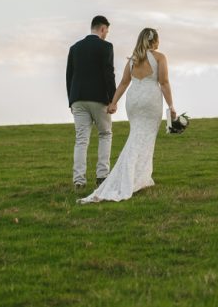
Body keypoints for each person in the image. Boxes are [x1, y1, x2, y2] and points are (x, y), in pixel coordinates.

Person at [78, 27, 175, 204]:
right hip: (150, 100)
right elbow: (164, 82)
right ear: (155, 41)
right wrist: (171, 105)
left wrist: (114, 102)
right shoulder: (160, 57)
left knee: (137, 136)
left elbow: (123, 83)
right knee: (143, 138)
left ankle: (142, 177)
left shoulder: (133, 60)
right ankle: (131, 178)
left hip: (134, 101)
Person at [66, 15, 117, 190]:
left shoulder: (75, 48)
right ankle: (102, 176)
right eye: (107, 31)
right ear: (102, 29)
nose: (106, 34)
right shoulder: (106, 47)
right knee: (105, 134)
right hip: (99, 98)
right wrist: (113, 99)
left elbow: (69, 76)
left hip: (77, 98)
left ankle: (79, 181)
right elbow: (108, 73)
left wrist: (71, 101)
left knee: (81, 140)